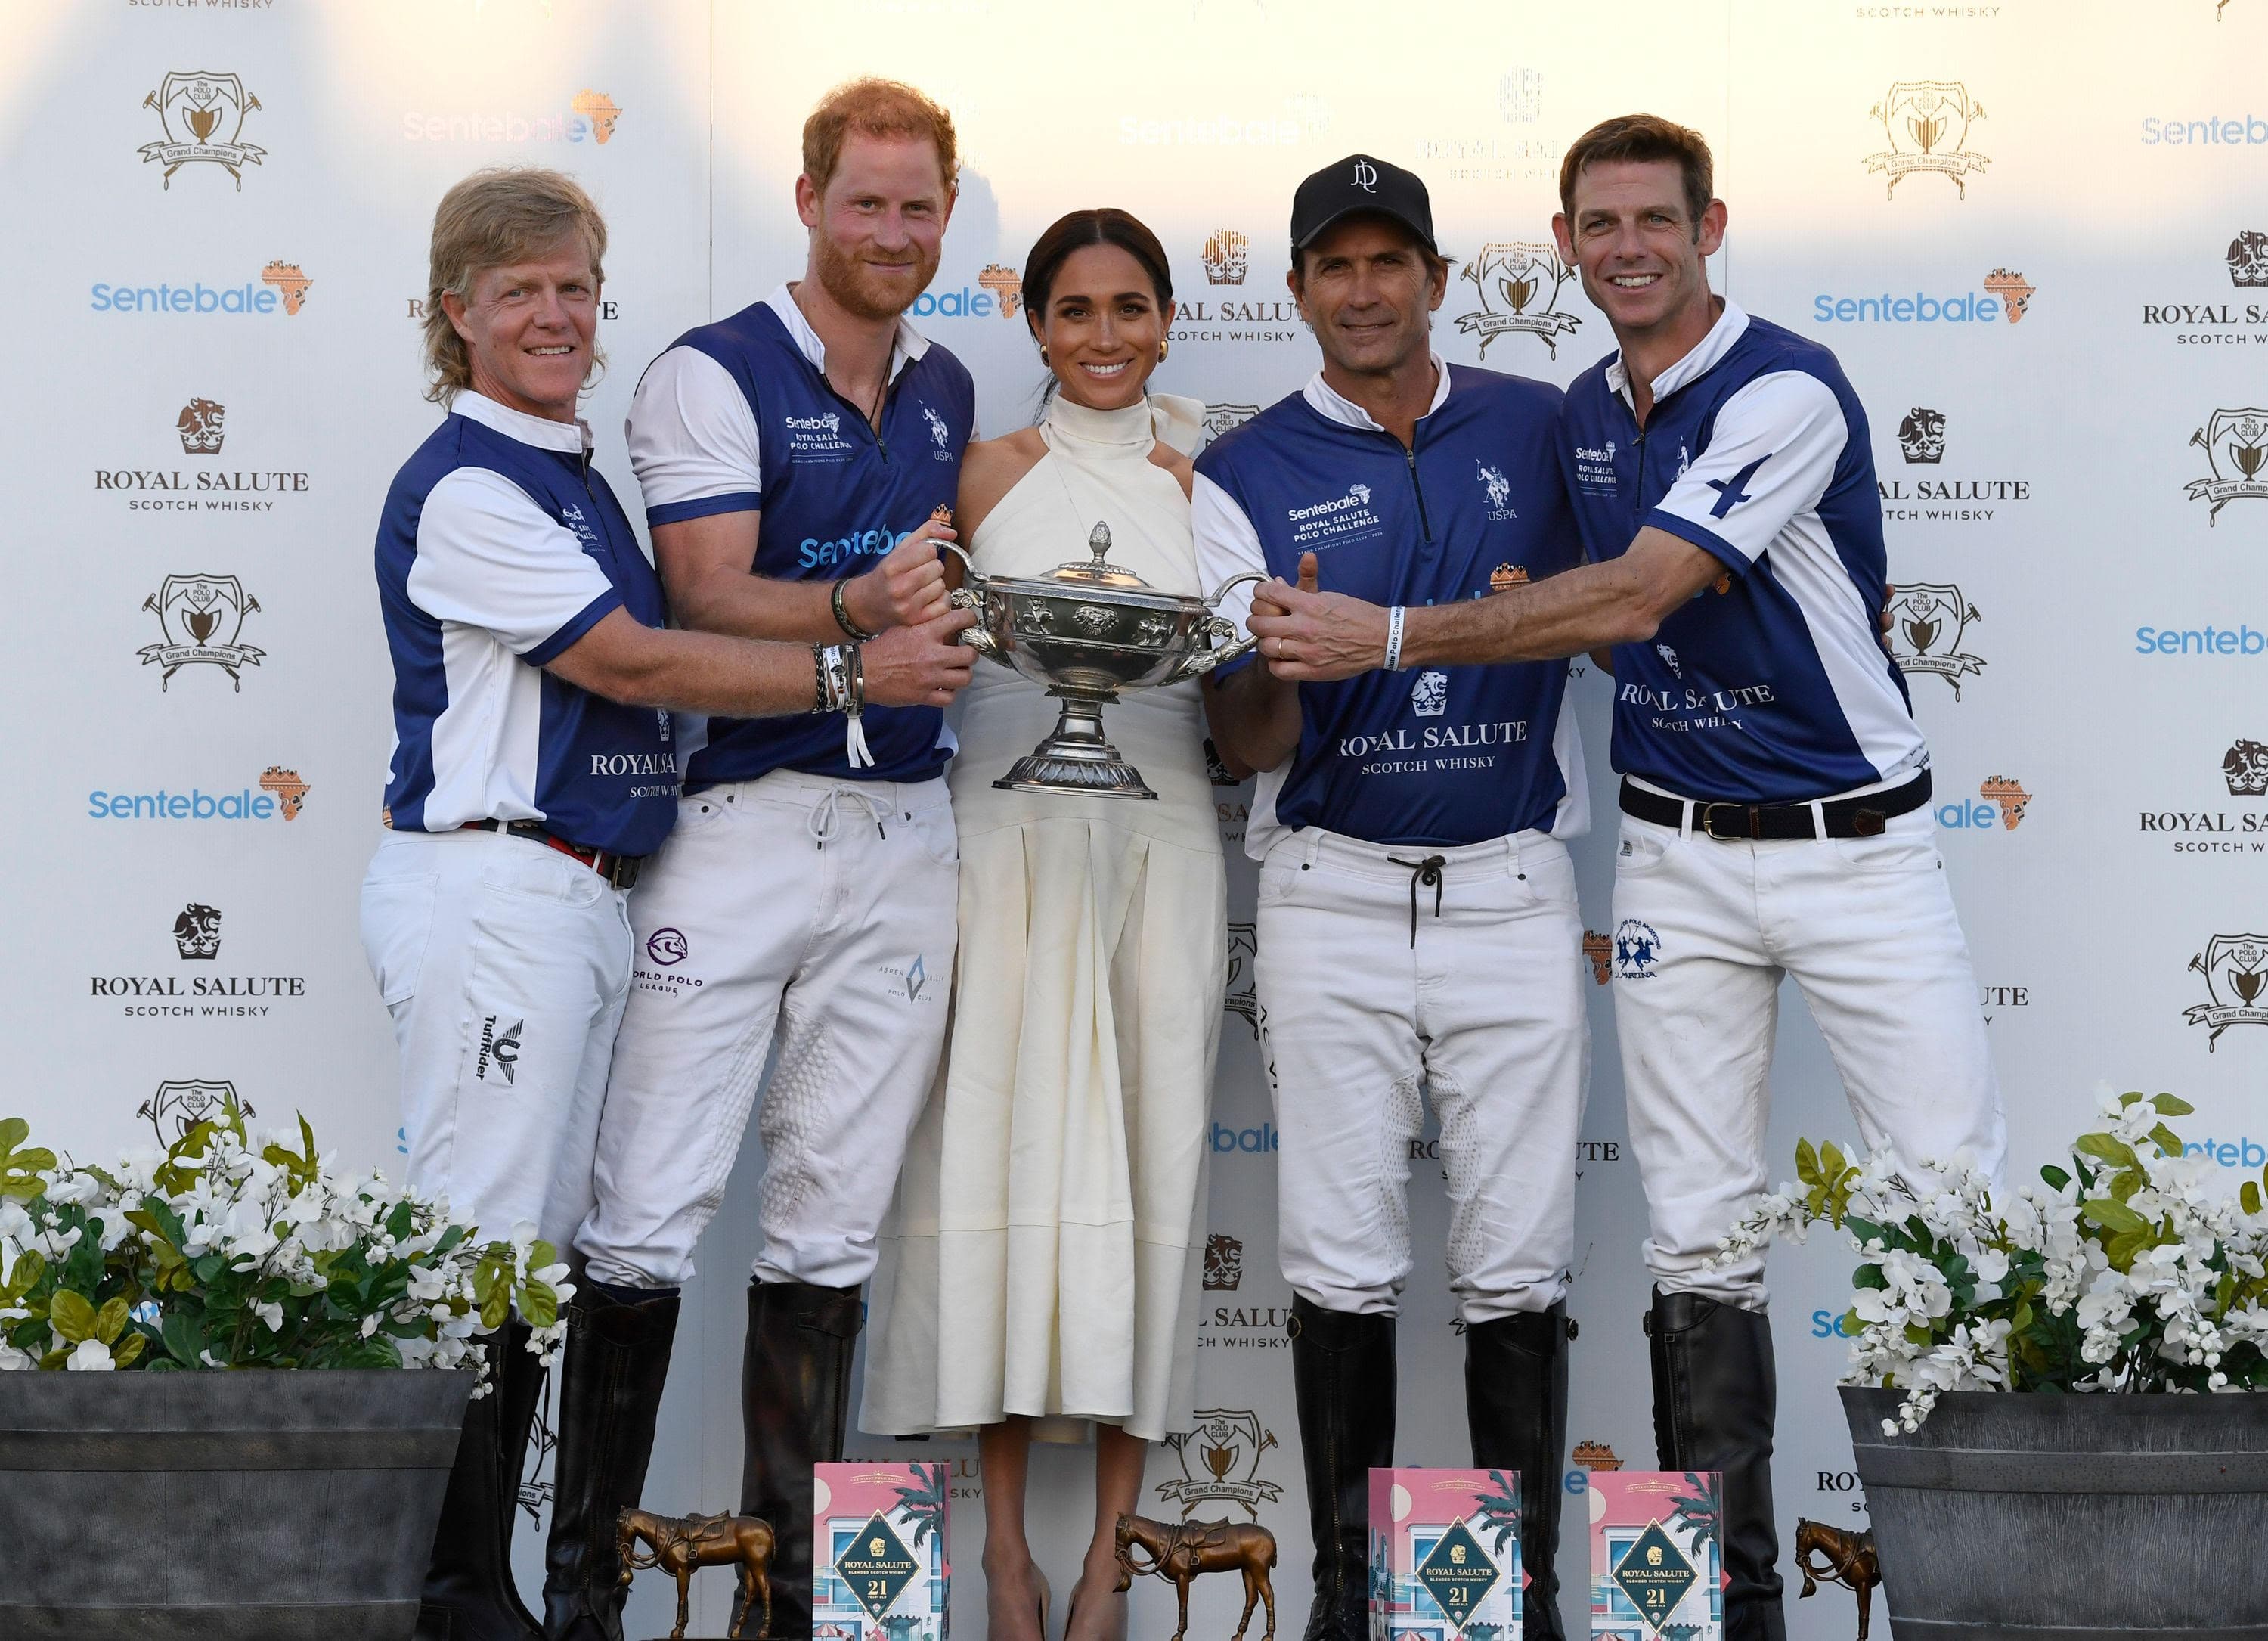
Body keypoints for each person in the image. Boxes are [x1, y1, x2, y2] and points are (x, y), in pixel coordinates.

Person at [1241, 116, 2008, 1641]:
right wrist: (1507, 599)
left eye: (1656, 219)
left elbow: (1650, 586)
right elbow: (1566, 584)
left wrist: (1393, 636)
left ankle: (1978, 1583)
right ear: (1566, 238)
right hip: (1673, 854)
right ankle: (1732, 1606)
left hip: (1856, 845)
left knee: (1949, 1205)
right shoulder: (1578, 409)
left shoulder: (1784, 385)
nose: (1629, 248)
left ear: (1711, 225)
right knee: (1699, 1236)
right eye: (1600, 224)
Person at [364, 166, 966, 1641]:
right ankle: (462, 1587)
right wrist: (856, 668)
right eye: (519, 293)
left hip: (577, 889)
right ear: (458, 313)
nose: (556, 314)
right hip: (495, 878)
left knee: (534, 1234)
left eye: (574, 286)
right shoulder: (468, 483)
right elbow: (636, 663)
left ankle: (566, 1592)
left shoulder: (564, 466)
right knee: (486, 1243)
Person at [543, 81, 980, 1641]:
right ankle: (582, 1590)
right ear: (808, 200)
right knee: (646, 1215)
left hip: (908, 834)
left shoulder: (947, 383)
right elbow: (703, 594)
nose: (891, 231)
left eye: (917, 205)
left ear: (946, 212)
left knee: (829, 1226)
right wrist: (866, 618)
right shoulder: (707, 371)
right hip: (738, 830)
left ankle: (789, 1601)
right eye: (865, 201)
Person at [1194, 155, 1589, 1641]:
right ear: (1296, 288)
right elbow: (1246, 742)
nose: (1364, 290)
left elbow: (1633, 599)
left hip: (1508, 884)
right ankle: (1345, 1601)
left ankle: (1524, 1600)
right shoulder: (1242, 470)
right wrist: (1267, 668)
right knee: (1341, 1257)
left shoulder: (1542, 428)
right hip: (1332, 892)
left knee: (1518, 1259)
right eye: (1334, 266)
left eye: (1390, 261)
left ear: (1437, 276)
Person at [863, 208, 1226, 1641]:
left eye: (1132, 308)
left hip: (1164, 837)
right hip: (1003, 833)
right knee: (996, 1167)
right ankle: (1005, 1553)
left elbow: (1244, 678)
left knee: (1155, 1165)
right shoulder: (976, 475)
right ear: (1032, 321)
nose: (1105, 336)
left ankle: (1111, 1561)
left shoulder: (1213, 486)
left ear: (1166, 317)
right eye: (1076, 310)